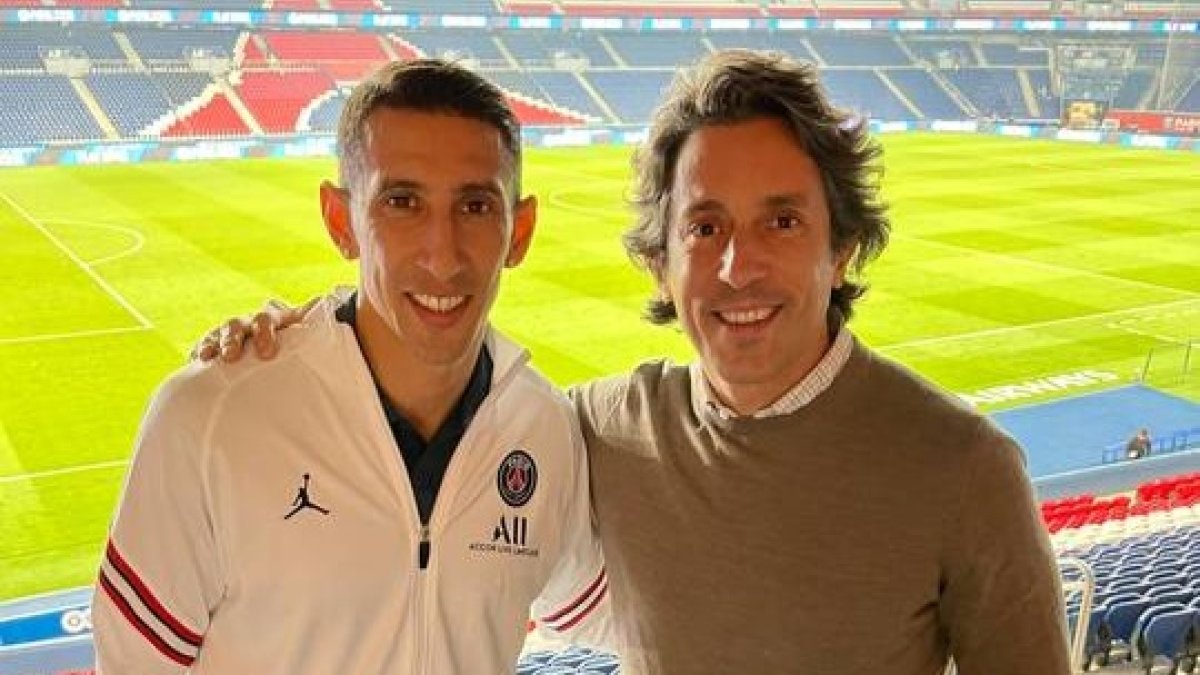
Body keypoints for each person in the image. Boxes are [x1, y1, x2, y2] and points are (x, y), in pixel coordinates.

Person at [198, 51, 1070, 674]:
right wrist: (298, 339)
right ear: (661, 258)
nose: (738, 267)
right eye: (704, 227)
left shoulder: (963, 468)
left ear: (841, 248)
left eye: (781, 221)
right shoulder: (602, 427)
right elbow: (437, 396)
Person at [93, 59, 610, 674]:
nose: (442, 256)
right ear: (342, 221)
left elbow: (615, 615)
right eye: (402, 202)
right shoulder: (210, 418)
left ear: (519, 231)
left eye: (474, 206)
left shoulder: (543, 428)